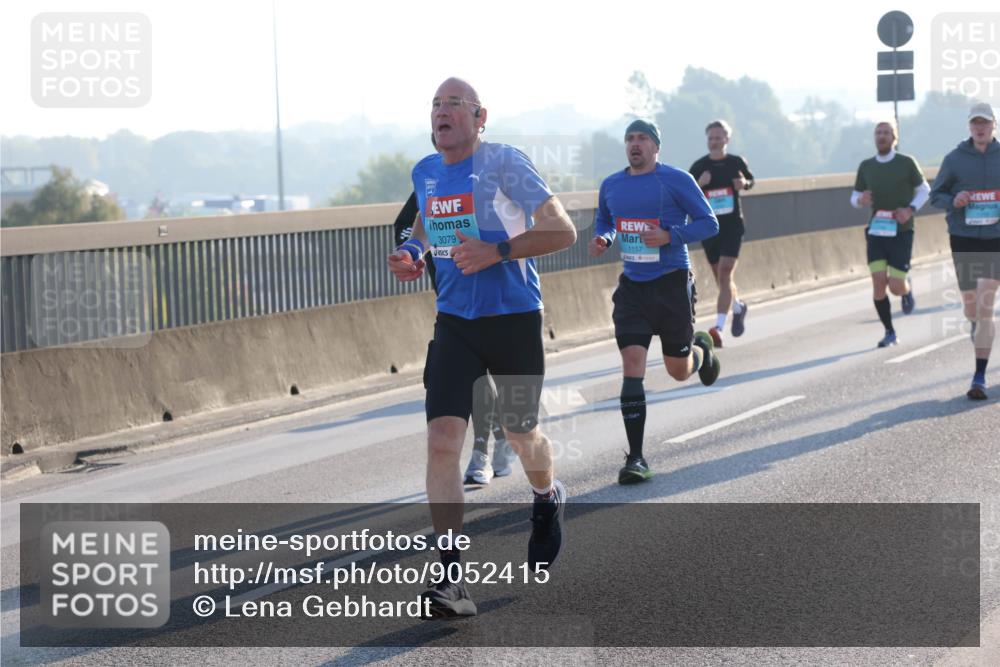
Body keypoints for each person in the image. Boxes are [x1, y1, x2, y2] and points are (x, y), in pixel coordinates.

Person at [387, 77, 577, 617]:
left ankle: (546, 497)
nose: (442, 112)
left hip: (514, 319)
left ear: (479, 115)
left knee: (522, 433)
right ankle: (449, 578)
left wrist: (497, 250)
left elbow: (562, 231)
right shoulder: (425, 172)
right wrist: (413, 252)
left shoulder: (504, 162)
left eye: (454, 104)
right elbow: (426, 225)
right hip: (455, 324)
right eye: (436, 105)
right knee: (443, 440)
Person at [590, 119, 721, 485]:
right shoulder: (612, 185)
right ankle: (636, 457)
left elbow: (709, 223)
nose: (635, 144)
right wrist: (603, 237)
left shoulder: (676, 180)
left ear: (655, 147)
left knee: (678, 370)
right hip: (633, 287)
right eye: (630, 138)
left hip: (671, 284)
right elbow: (605, 219)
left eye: (642, 139)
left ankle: (701, 351)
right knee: (632, 365)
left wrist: (669, 235)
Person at [394, 186, 516, 484]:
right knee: (475, 378)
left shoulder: (492, 176)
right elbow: (404, 227)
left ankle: (504, 434)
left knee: (494, 378)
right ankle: (481, 452)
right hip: (452, 299)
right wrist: (415, 252)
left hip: (498, 296)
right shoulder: (432, 179)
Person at [931, 102, 1000, 400]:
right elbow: (936, 195)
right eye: (975, 123)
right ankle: (975, 323)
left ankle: (979, 376)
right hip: (964, 238)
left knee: (985, 304)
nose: (980, 127)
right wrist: (954, 199)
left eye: (984, 122)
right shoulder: (955, 159)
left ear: (994, 125)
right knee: (972, 306)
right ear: (969, 127)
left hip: (996, 239)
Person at [849, 120, 930, 348]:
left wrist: (910, 209)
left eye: (886, 132)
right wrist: (860, 200)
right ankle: (889, 331)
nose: (881, 136)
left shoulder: (906, 163)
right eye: (878, 132)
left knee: (895, 286)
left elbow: (924, 190)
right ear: (874, 137)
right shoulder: (866, 166)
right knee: (877, 282)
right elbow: (854, 197)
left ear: (895, 138)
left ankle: (906, 289)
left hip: (901, 232)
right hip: (876, 231)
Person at [689, 120, 755, 348]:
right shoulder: (699, 166)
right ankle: (737, 306)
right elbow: (687, 193)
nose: (715, 141)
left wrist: (743, 184)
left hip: (732, 226)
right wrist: (700, 183)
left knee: (726, 273)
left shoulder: (736, 162)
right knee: (720, 277)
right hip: (709, 227)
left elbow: (750, 181)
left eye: (719, 137)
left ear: (727, 139)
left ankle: (718, 328)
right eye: (711, 138)